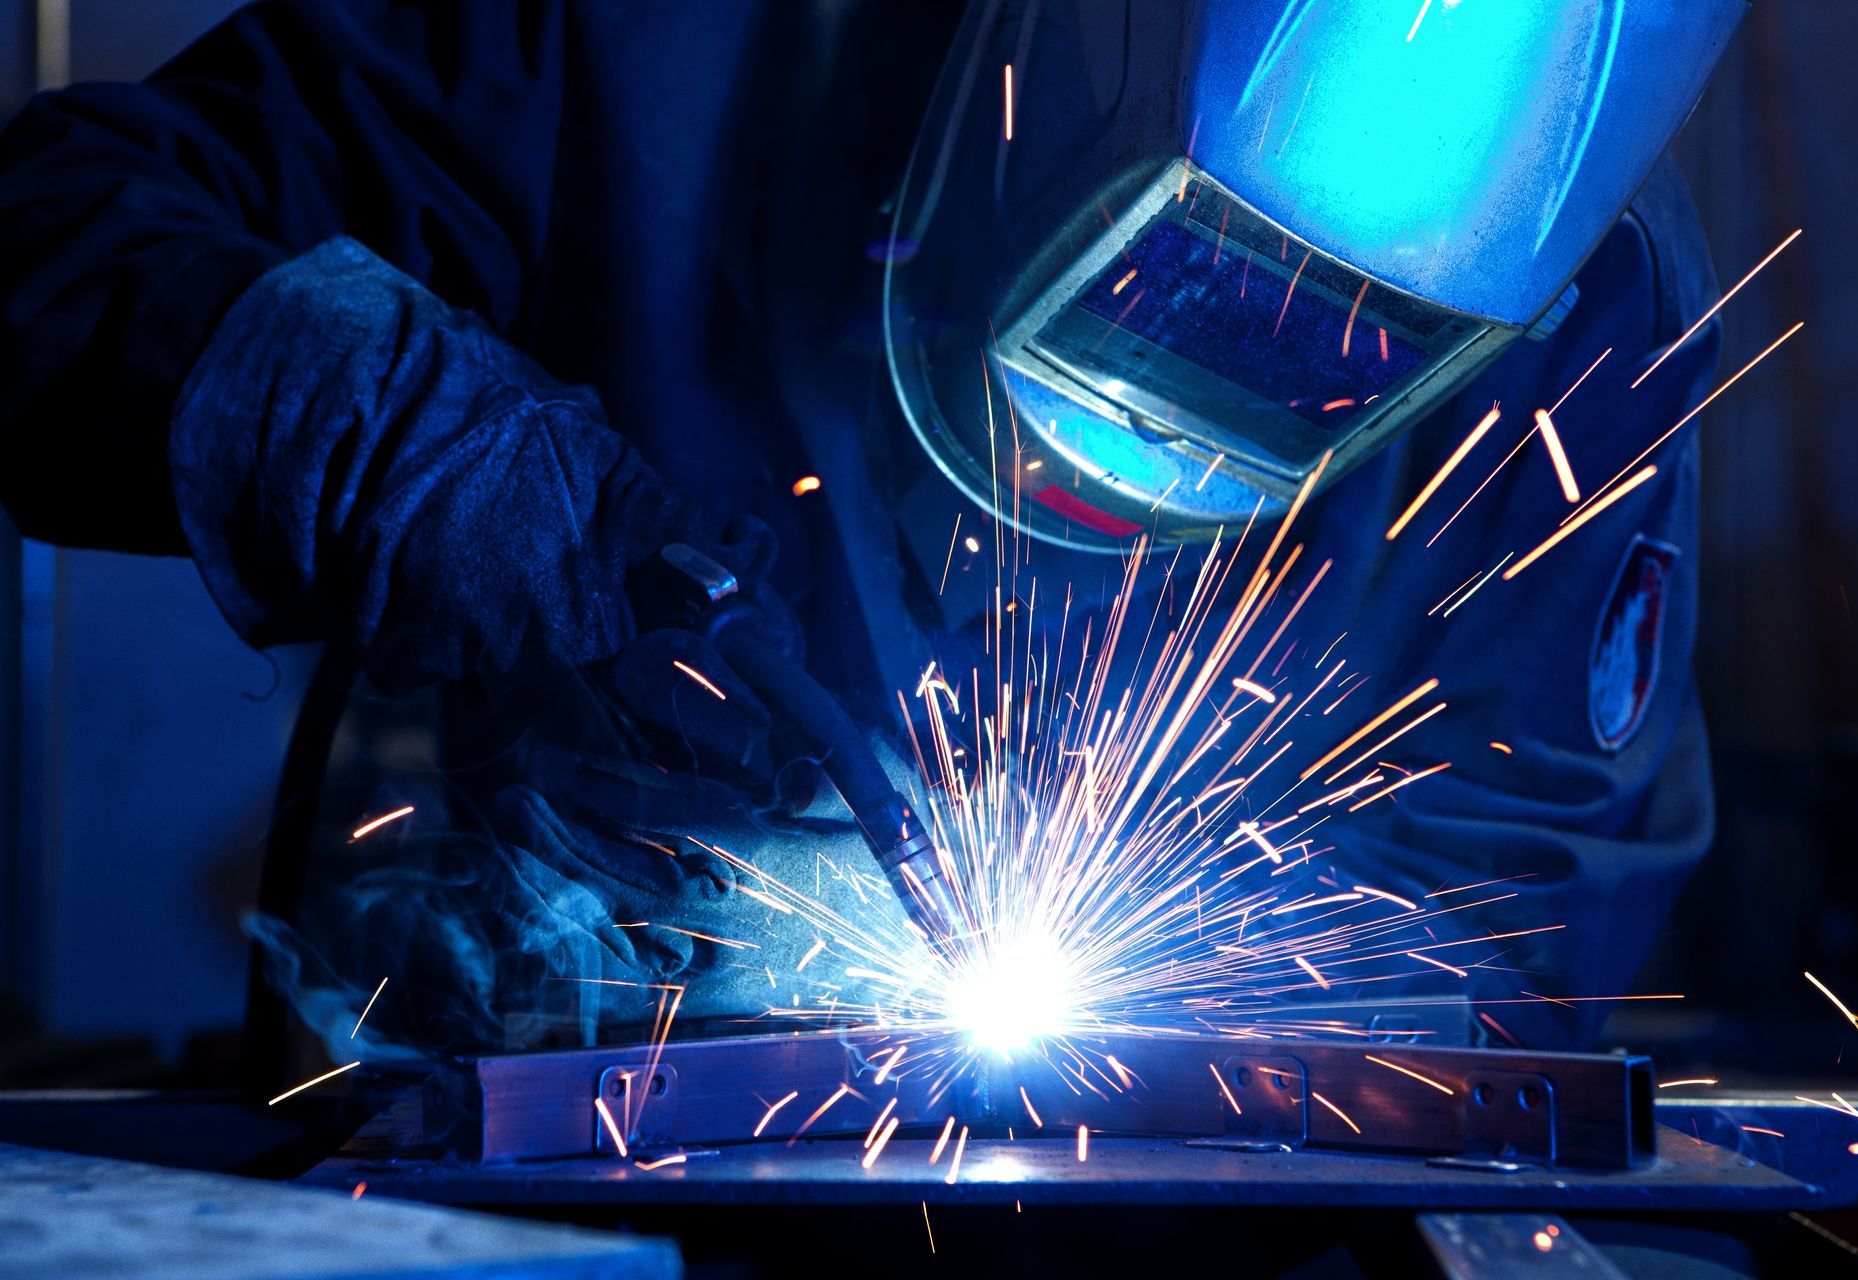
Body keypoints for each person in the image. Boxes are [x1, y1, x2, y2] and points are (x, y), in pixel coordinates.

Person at [0, 0, 1736, 1064]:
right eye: (1168, 274)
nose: (1180, 398)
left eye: (1343, 353)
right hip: (521, 1175)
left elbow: (1527, 913)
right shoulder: (646, 37)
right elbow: (46, 237)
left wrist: (1220, 1014)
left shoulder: (1592, 322)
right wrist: (380, 425)